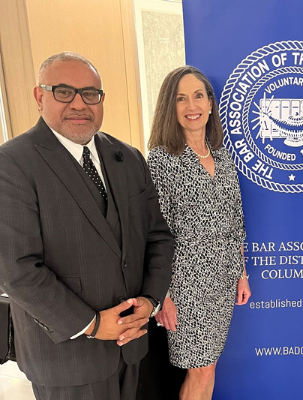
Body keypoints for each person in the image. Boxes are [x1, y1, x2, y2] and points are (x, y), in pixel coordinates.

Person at [0, 52, 173, 400]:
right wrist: (92, 325)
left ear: (101, 99)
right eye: (64, 91)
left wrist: (151, 300)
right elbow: (16, 269)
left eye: (90, 93)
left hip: (131, 345)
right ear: (39, 97)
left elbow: (158, 237)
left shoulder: (128, 157)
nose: (79, 104)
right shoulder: (12, 164)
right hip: (67, 358)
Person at [146, 65, 250, 400]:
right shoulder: (161, 160)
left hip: (222, 281)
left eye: (198, 96)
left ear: (210, 103)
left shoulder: (222, 156)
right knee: (200, 368)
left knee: (210, 366)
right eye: (181, 98)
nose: (192, 106)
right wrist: (162, 294)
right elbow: (153, 232)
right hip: (185, 283)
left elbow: (236, 223)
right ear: (170, 107)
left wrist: (242, 274)